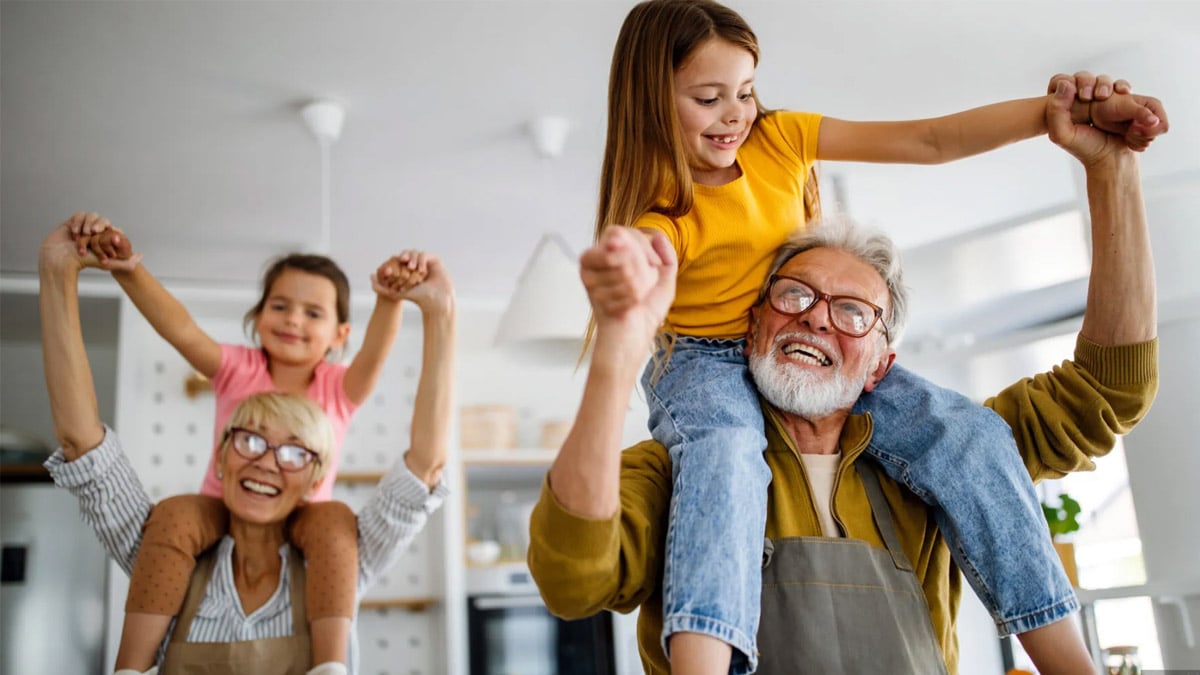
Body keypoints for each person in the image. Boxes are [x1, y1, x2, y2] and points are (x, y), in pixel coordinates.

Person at [589, 1, 1168, 672]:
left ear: (880, 360)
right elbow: (576, 569)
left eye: (745, 92)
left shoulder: (779, 139)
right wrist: (625, 291)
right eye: (707, 98)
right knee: (724, 459)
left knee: (972, 434)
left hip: (784, 357)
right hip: (701, 363)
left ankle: (1068, 658)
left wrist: (1053, 117)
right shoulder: (663, 213)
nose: (736, 115)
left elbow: (930, 141)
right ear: (651, 102)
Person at [40, 217, 455, 675]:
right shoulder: (171, 553)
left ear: (340, 335)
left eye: (295, 451)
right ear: (222, 453)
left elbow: (419, 454)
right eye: (250, 440)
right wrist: (127, 271)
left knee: (333, 521)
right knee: (176, 514)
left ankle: (329, 666)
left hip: (311, 518)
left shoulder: (334, 559)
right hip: (216, 509)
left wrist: (396, 300)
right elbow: (180, 330)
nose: (266, 463)